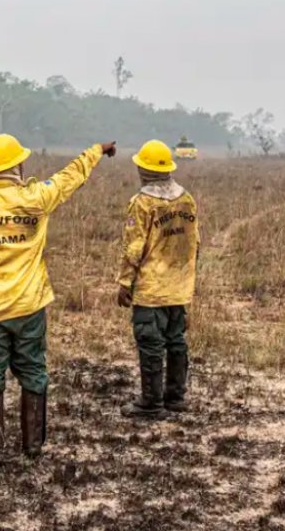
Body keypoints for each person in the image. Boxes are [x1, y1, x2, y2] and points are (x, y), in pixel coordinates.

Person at [0, 134, 116, 466]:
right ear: (18, 166)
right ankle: (33, 445)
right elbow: (70, 177)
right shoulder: (37, 197)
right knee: (33, 370)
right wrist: (97, 150)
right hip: (30, 306)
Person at [116, 140, 200, 419]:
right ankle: (175, 397)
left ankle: (151, 404)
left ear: (142, 169)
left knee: (150, 344)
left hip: (151, 289)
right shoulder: (187, 199)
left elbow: (133, 247)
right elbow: (195, 243)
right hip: (179, 287)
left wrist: (125, 282)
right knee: (176, 341)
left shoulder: (142, 203)